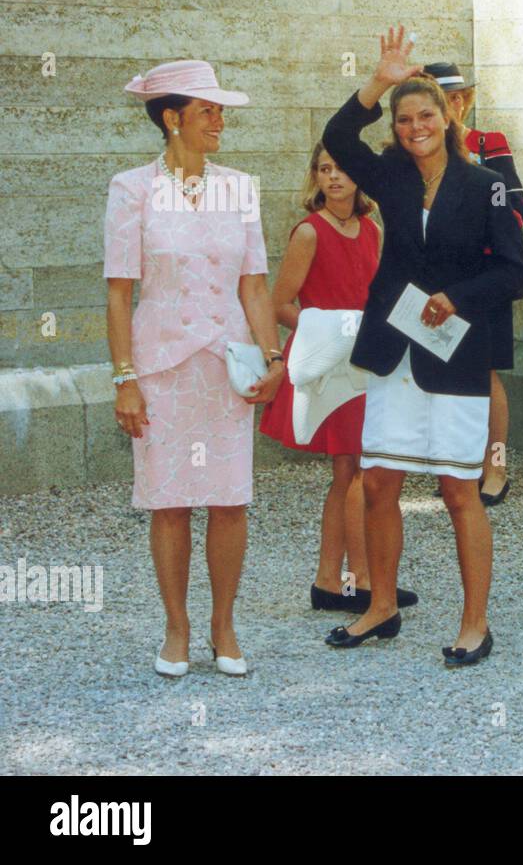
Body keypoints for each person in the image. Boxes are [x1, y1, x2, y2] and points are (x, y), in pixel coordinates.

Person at [320, 27, 523, 666]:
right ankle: (380, 606)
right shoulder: (388, 177)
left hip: (456, 356)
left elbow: (519, 272)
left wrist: (458, 296)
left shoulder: (485, 183)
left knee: (458, 491)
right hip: (394, 353)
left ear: (449, 117)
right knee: (379, 483)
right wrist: (379, 80)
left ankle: (475, 624)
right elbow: (336, 138)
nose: (415, 126)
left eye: (426, 115)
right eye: (404, 117)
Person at [106, 59, 284, 678]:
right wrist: (123, 377)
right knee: (170, 500)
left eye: (220, 109)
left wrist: (274, 357)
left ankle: (224, 625)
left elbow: (255, 285)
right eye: (207, 109)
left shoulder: (238, 186)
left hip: (226, 366)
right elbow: (119, 293)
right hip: (160, 370)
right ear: (172, 117)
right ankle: (176, 628)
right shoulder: (131, 189)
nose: (219, 119)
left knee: (229, 497)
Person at [258, 142, 418, 613]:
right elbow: (279, 303)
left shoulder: (371, 229)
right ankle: (361, 581)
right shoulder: (308, 233)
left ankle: (332, 581)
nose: (333, 177)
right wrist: (331, 330)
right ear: (315, 177)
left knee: (351, 470)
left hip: (364, 364)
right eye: (324, 169)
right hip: (331, 364)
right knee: (360, 470)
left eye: (342, 168)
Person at [424, 61, 523, 506]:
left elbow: (518, 209)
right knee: (442, 368)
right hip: (436, 278)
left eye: (452, 98)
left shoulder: (488, 144)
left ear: (462, 101)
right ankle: (456, 462)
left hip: (485, 276)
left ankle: (496, 465)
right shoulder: (417, 151)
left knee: (486, 372)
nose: (447, 108)